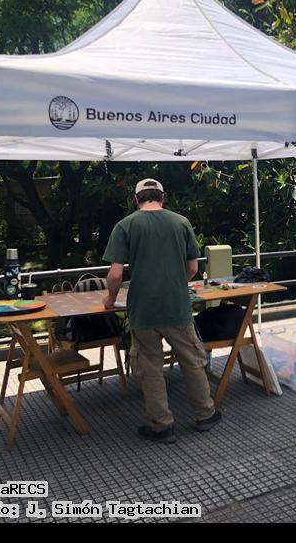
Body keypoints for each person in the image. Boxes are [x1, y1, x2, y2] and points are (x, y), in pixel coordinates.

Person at [102, 178, 221, 443]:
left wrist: (110, 298)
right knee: (192, 361)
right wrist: (175, 283)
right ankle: (205, 414)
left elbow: (115, 274)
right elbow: (193, 268)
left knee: (150, 368)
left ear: (136, 199)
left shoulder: (125, 225)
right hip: (176, 306)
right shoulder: (181, 222)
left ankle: (162, 425)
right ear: (163, 197)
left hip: (143, 310)